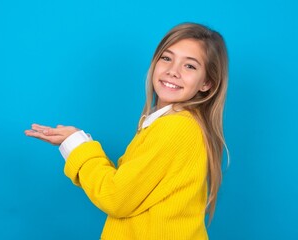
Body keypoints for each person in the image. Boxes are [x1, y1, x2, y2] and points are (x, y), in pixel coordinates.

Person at [25, 22, 228, 240]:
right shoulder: (173, 124)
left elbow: (116, 197)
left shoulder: (175, 127)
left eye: (190, 66)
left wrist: (77, 145)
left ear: (207, 83)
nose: (172, 71)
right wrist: (76, 141)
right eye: (166, 58)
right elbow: (130, 188)